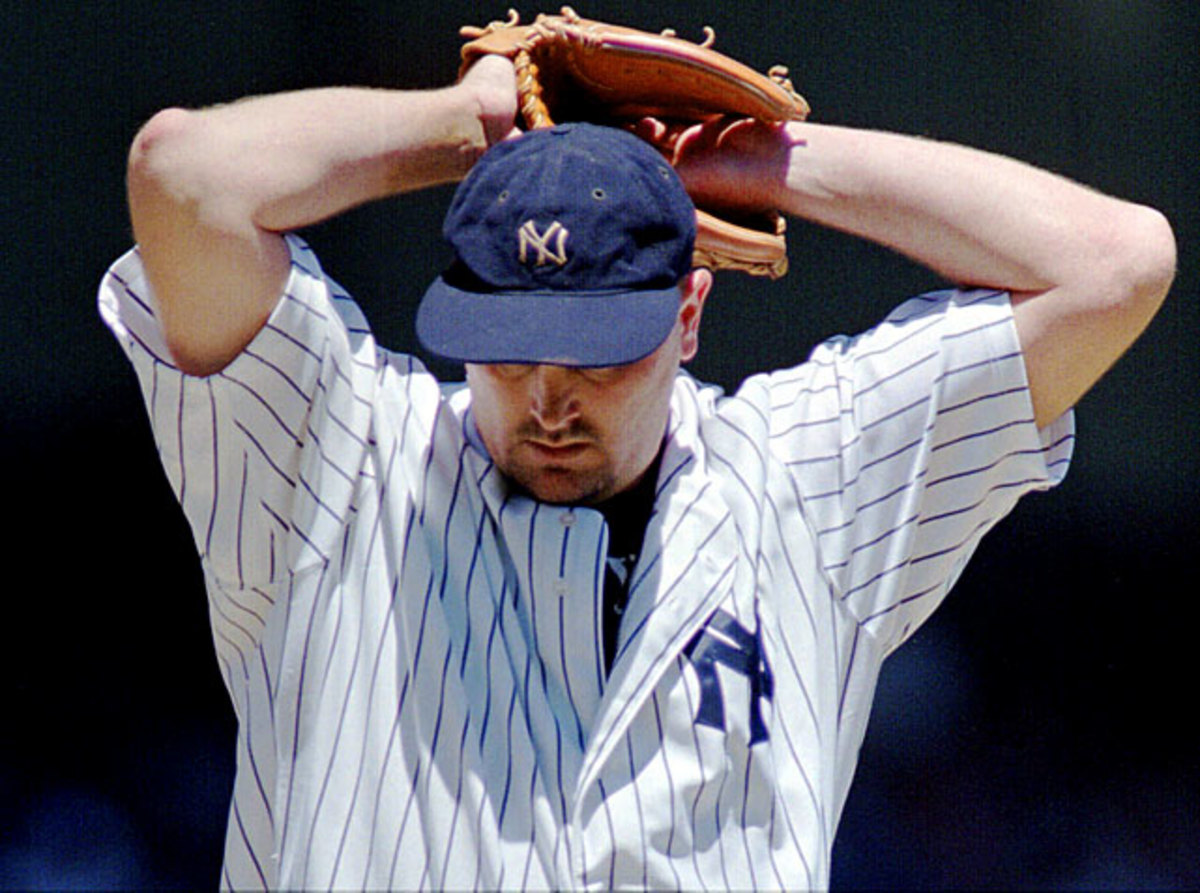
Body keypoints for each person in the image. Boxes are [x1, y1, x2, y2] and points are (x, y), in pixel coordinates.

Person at [99, 53, 1174, 890]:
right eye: (509, 349)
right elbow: (184, 177)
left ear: (689, 313)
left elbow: (1117, 262)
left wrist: (757, 161)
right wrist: (466, 125)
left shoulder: (803, 479)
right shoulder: (340, 463)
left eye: (600, 350)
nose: (550, 397)